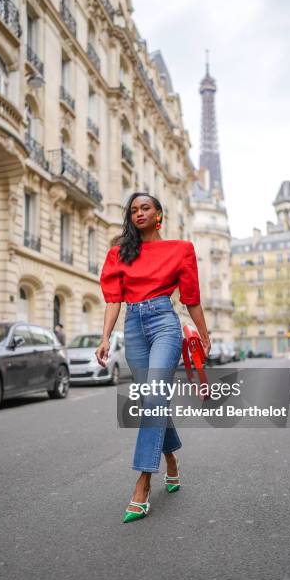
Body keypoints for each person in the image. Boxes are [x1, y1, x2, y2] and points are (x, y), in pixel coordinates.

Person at [96, 192, 211, 523]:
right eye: (133, 210)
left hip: (164, 323)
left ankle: (142, 482)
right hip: (133, 326)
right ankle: (171, 459)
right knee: (153, 400)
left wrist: (204, 335)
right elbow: (113, 300)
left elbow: (191, 298)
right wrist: (105, 337)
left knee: (155, 396)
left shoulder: (180, 250)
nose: (139, 213)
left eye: (145, 208)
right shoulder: (120, 253)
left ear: (159, 214)